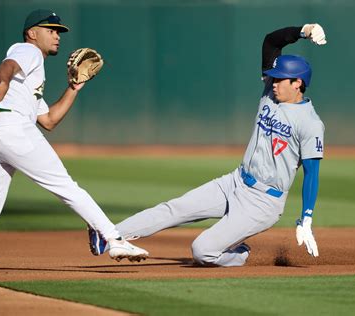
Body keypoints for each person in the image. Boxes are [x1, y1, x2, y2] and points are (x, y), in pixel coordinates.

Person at [0, 9, 148, 273]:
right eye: (51, 30)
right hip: (10, 127)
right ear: (33, 33)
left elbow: (49, 121)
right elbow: (8, 65)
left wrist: (74, 87)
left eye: (59, 31)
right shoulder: (28, 51)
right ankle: (114, 239)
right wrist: (2, 83)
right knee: (66, 186)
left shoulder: (29, 82)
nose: (57, 36)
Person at [88, 23, 326, 267]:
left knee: (202, 251)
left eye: (280, 79)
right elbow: (271, 42)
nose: (273, 82)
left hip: (263, 202)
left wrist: (306, 217)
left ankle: (239, 254)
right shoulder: (270, 92)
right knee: (174, 208)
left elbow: (312, 174)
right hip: (236, 181)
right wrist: (304, 30)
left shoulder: (310, 123)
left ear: (297, 83)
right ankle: (108, 235)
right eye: (273, 77)